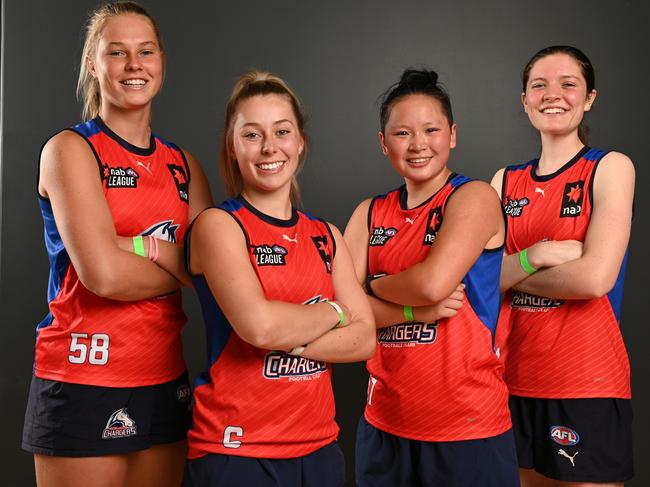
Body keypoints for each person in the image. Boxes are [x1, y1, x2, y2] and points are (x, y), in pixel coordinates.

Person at [21, 2, 212, 486]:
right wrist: (171, 255)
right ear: (93, 64)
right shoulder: (70, 149)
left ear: (161, 61)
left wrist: (144, 247)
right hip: (84, 377)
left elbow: (207, 272)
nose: (134, 65)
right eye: (117, 52)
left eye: (146, 51)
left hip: (165, 378)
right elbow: (103, 276)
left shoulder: (183, 165)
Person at [183, 71, 375, 487]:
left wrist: (295, 331)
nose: (270, 147)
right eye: (252, 135)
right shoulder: (218, 225)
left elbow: (365, 339)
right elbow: (260, 327)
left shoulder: (327, 235)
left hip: (319, 448)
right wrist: (336, 311)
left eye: (282, 131)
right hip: (238, 451)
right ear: (232, 148)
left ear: (300, 141)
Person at [344, 68, 519, 487]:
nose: (418, 144)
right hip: (385, 424)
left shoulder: (474, 197)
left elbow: (431, 285)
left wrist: (372, 286)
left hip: (467, 426)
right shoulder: (369, 213)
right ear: (383, 143)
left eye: (431, 129)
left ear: (452, 135)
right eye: (403, 133)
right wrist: (410, 311)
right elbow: (343, 314)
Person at [491, 45, 635, 486]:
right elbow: (479, 280)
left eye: (568, 84)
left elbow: (594, 279)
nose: (553, 94)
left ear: (589, 97)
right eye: (540, 85)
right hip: (510, 380)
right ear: (524, 100)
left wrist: (513, 270)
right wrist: (541, 254)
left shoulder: (609, 168)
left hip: (586, 381)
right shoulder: (503, 180)